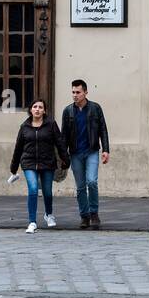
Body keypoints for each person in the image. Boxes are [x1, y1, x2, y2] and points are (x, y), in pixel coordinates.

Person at [8, 98, 69, 233]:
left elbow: (59, 143)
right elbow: (18, 147)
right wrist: (13, 167)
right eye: (35, 107)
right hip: (28, 162)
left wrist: (66, 160)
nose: (37, 109)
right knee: (34, 189)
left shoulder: (51, 124)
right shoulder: (24, 127)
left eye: (40, 107)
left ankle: (48, 214)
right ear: (31, 110)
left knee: (47, 192)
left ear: (44, 110)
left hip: (47, 162)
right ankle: (32, 222)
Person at [61, 79, 110, 229]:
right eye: (73, 92)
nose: (75, 95)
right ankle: (84, 216)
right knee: (81, 186)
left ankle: (94, 213)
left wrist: (106, 150)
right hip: (75, 153)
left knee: (92, 182)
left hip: (92, 152)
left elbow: (103, 129)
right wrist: (63, 156)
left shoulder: (95, 108)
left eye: (78, 92)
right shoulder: (68, 111)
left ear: (85, 92)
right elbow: (64, 135)